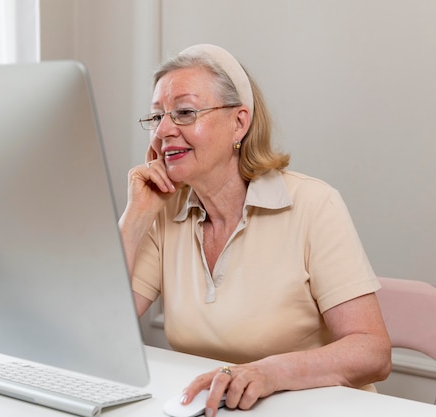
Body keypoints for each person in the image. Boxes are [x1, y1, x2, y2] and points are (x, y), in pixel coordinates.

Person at [119, 44, 392, 417]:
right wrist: (135, 216)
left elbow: (372, 351)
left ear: (239, 123)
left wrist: (269, 372)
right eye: (156, 117)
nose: (164, 130)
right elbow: (102, 328)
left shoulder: (313, 204)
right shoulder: (164, 214)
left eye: (184, 112)